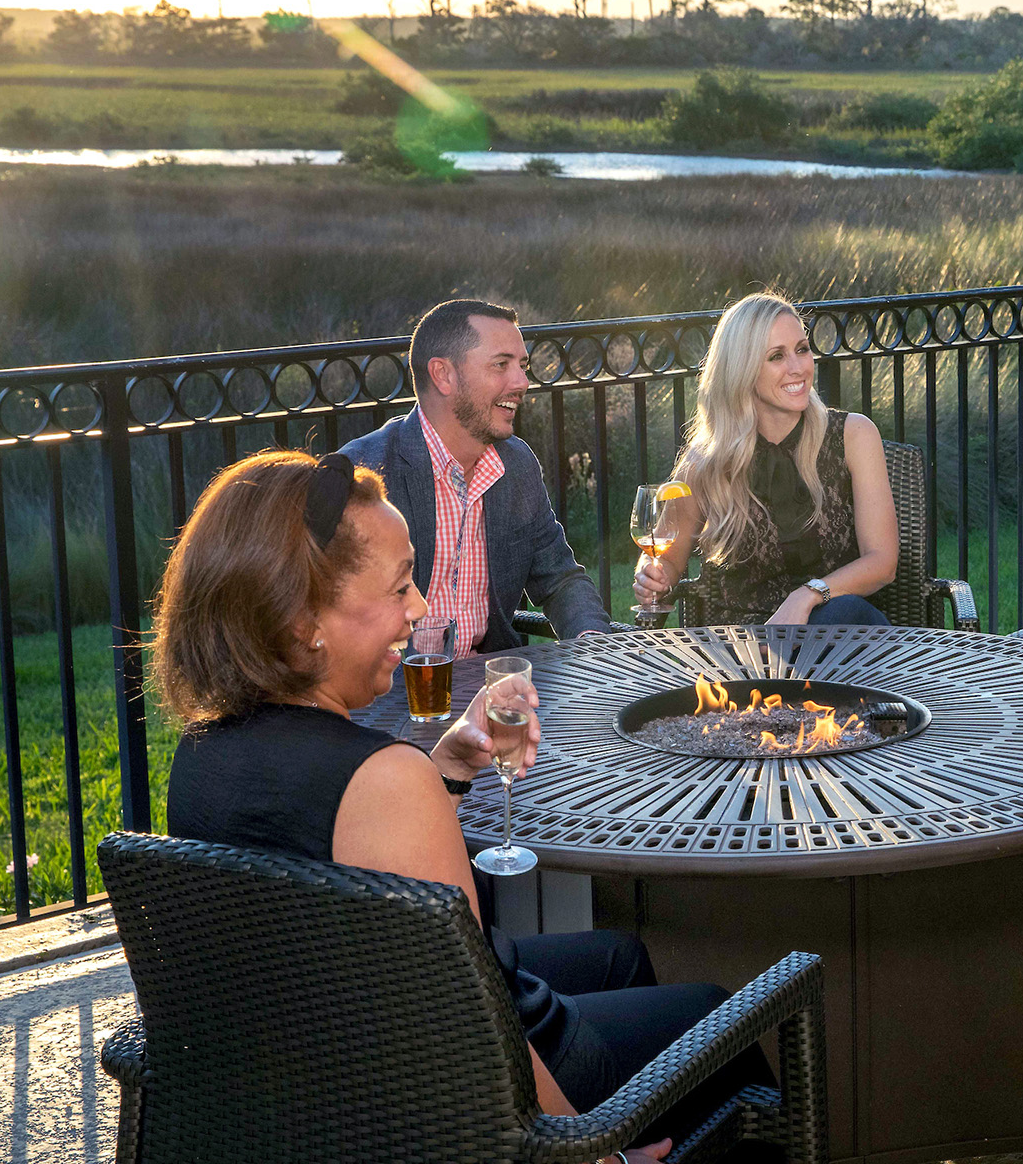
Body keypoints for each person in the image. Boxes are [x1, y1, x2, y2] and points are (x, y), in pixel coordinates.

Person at [157, 450, 769, 1158]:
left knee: (622, 957)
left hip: (330, 1063)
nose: (420, 609)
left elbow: (347, 869)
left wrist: (441, 767)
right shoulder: (381, 780)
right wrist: (594, 1152)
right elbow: (478, 1035)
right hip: (459, 1087)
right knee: (720, 1020)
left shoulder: (202, 757)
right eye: (399, 588)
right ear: (303, 624)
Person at [341, 299, 612, 652]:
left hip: (494, 686)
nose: (522, 382)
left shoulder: (516, 465)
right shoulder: (366, 473)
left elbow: (559, 579)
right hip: (390, 694)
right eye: (501, 365)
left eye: (522, 365)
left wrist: (591, 642)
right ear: (444, 375)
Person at [632, 292, 899, 626]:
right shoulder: (706, 461)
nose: (798, 367)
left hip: (838, 642)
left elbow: (882, 563)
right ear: (742, 370)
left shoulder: (853, 435)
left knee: (845, 613)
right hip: (744, 651)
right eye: (776, 356)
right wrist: (651, 576)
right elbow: (664, 561)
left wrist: (806, 596)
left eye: (802, 349)